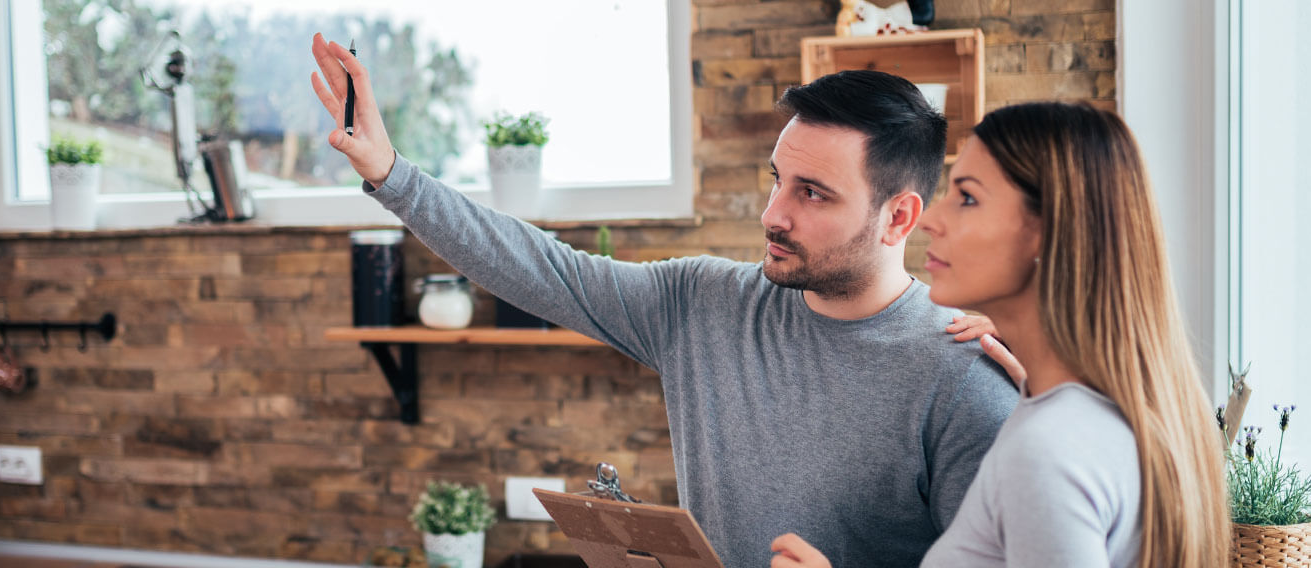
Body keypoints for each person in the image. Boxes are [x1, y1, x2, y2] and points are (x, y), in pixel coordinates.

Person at [310, 33, 1019, 567]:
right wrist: (389, 173)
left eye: (812, 194)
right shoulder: (702, 301)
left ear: (899, 217)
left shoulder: (962, 375)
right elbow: (536, 266)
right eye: (777, 179)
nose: (773, 213)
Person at [770, 102, 1232, 567]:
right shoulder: (1099, 417)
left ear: (1048, 233)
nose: (929, 220)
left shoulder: (1047, 451)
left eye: (967, 197)